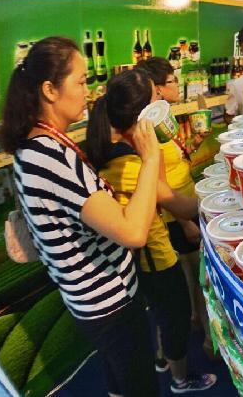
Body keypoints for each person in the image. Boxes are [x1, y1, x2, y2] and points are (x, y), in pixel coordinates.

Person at [1, 37, 160, 396]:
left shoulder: (40, 146)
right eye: (81, 81)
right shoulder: (49, 156)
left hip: (92, 299)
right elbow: (134, 232)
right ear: (50, 90)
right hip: (109, 302)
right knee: (140, 386)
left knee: (121, 382)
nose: (88, 92)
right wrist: (150, 160)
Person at [86, 69, 216, 394]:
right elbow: (179, 205)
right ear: (143, 113)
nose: (162, 101)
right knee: (176, 314)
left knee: (163, 312)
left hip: (144, 260)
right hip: (155, 257)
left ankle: (164, 362)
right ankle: (181, 380)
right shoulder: (127, 165)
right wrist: (222, 198)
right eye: (156, 97)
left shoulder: (119, 150)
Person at [139, 56, 213, 358]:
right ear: (155, 89)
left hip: (184, 205)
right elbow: (159, 185)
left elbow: (179, 158)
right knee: (194, 276)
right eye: (171, 82)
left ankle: (195, 323)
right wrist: (185, 221)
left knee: (191, 274)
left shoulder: (159, 126)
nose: (176, 86)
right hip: (176, 216)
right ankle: (205, 338)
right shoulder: (145, 131)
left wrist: (197, 136)